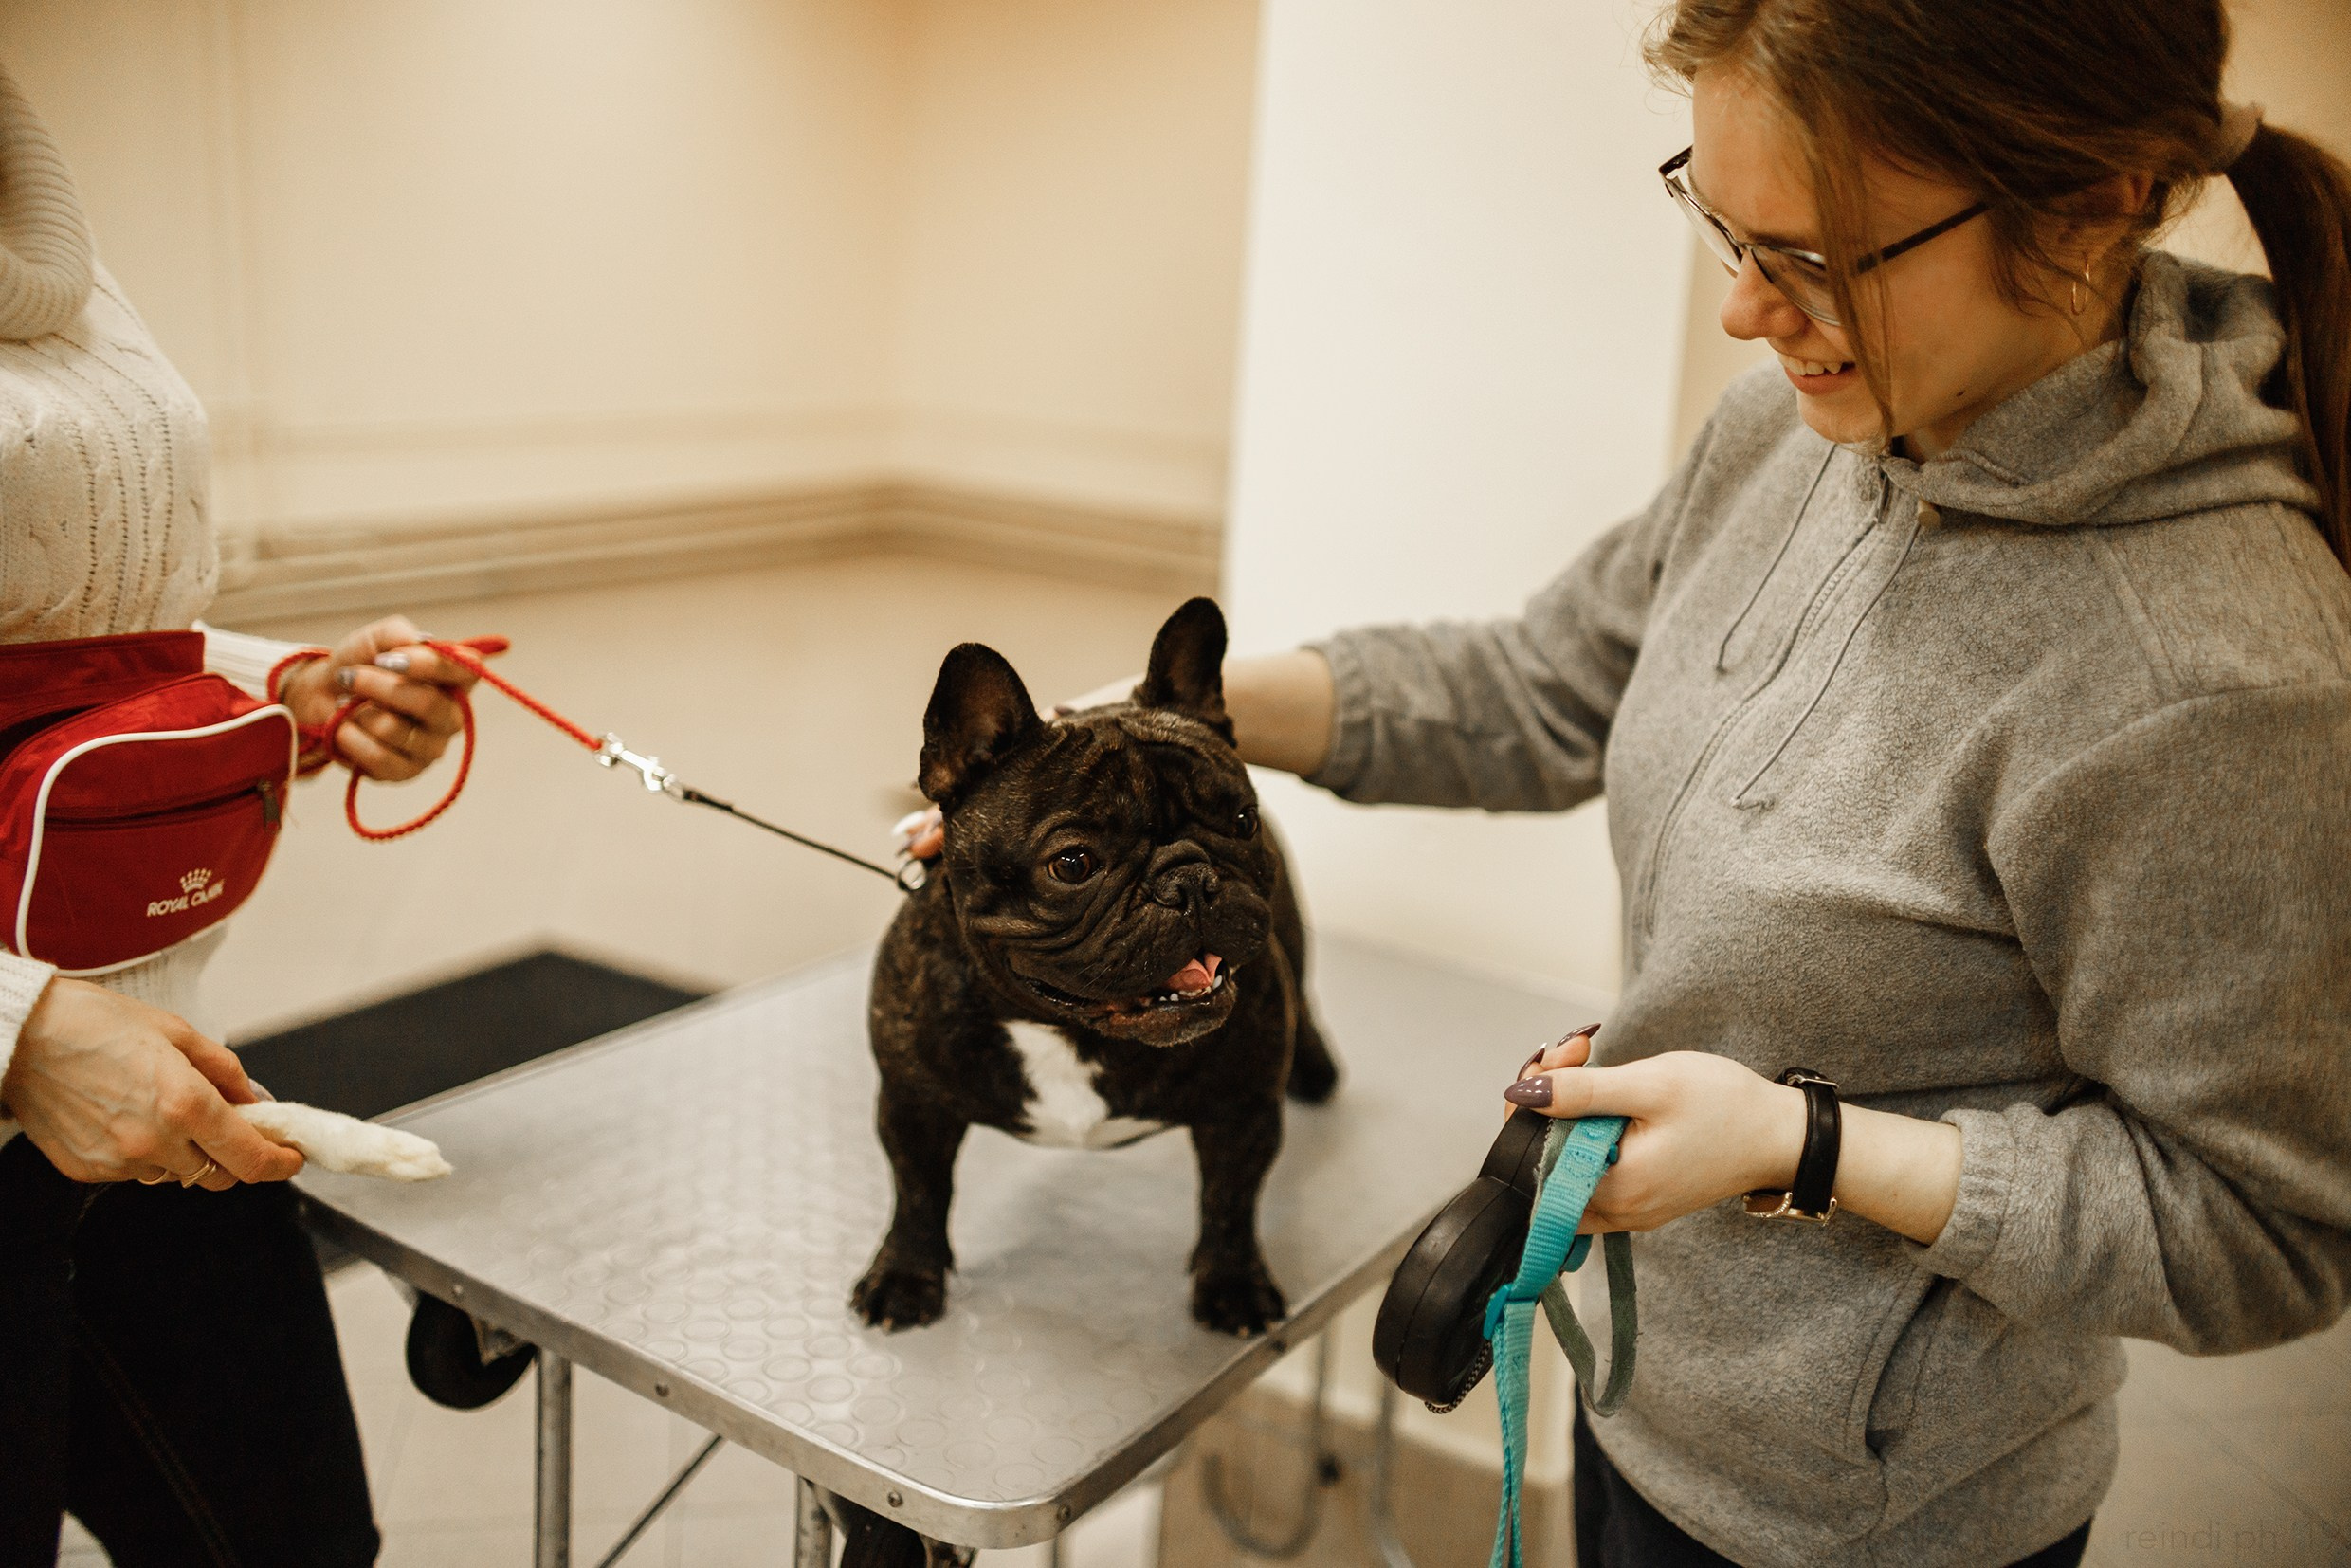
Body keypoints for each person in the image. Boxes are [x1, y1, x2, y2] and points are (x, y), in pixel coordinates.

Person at [907, 2, 2351, 1563]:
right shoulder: (1794, 435)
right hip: (1634, 1388)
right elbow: (1544, 682)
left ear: (2094, 202)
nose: (1742, 311)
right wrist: (1166, 727)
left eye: (1810, 255)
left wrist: (1805, 1148)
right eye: (1719, 225)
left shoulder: (2209, 677)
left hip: (1871, 1516)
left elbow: (2265, 1224)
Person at [0, 66, 479, 1566]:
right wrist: (14, 1030)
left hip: (154, 1075)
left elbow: (78, 611)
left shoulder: (44, 195)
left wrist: (295, 691)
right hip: (49, 1055)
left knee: (297, 1542)